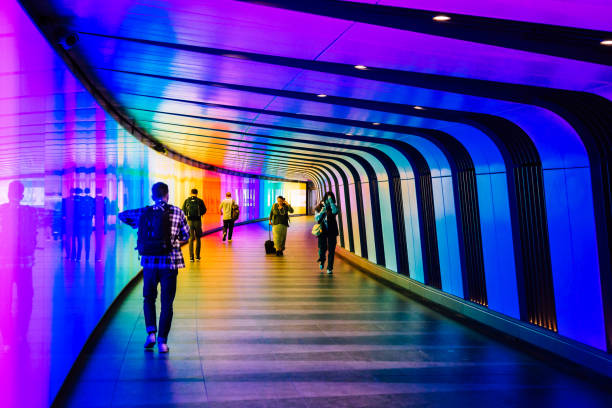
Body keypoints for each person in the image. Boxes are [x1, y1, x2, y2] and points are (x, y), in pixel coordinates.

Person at [118, 182, 189, 353]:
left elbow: (122, 216)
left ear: (152, 196)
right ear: (168, 195)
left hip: (149, 264)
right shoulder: (177, 212)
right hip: (170, 264)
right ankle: (162, 342)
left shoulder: (144, 212)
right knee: (167, 303)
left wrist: (140, 224)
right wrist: (174, 243)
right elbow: (186, 236)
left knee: (149, 298)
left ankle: (151, 332)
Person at [0, 181, 36, 347]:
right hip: (23, 263)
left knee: (6, 300)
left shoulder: (3, 210)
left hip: (7, 263)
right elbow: (33, 235)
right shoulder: (29, 211)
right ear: (22, 194)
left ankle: (8, 337)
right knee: (25, 298)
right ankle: (20, 334)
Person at [315, 192, 339, 274]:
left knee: (331, 250)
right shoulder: (319, 207)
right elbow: (317, 219)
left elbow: (335, 211)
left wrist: (331, 202)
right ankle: (322, 260)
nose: (329, 200)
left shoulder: (333, 207)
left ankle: (330, 268)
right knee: (322, 248)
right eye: (328, 198)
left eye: (331, 198)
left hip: (332, 231)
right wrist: (322, 211)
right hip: (322, 231)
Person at [182, 188, 207, 262]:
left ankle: (191, 257)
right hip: (198, 221)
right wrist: (199, 214)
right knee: (198, 238)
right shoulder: (200, 201)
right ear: (197, 193)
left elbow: (183, 210)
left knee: (191, 239)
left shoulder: (187, 201)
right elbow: (204, 210)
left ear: (190, 193)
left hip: (189, 221)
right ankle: (198, 256)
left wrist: (188, 214)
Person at [75, 188, 95, 262]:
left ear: (84, 192)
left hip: (81, 221)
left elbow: (78, 210)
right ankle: (87, 257)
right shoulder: (92, 200)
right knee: (88, 239)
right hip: (89, 221)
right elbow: (94, 210)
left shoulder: (81, 199)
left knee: (80, 239)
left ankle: (79, 257)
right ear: (89, 192)